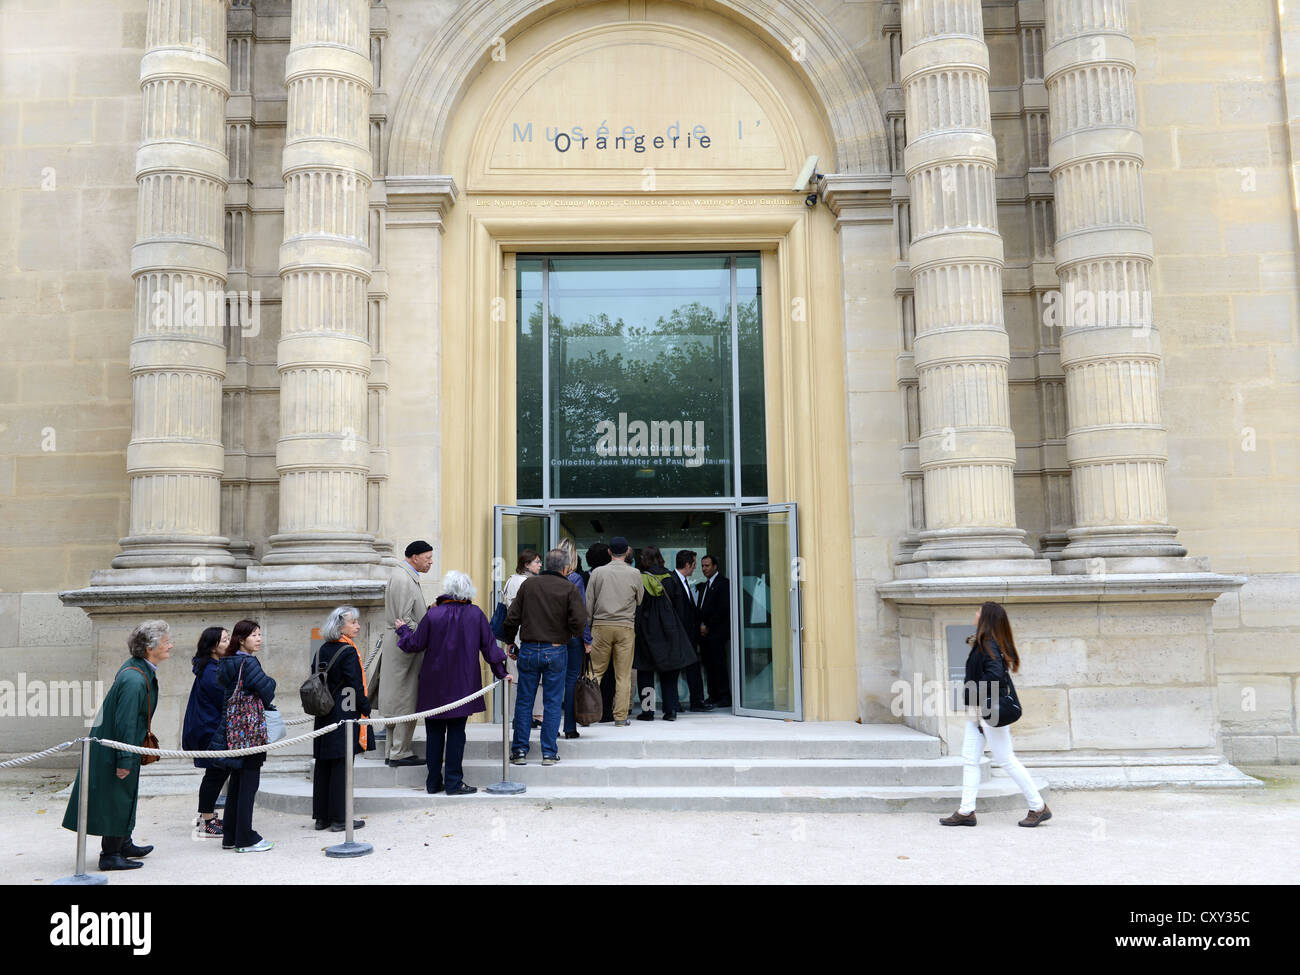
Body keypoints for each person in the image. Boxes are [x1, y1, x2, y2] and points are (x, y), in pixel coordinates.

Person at [62, 620, 171, 871]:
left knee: (124, 795)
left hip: (120, 746)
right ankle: (110, 855)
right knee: (117, 797)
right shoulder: (134, 680)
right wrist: (124, 760)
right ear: (149, 648)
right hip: (119, 748)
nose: (170, 646)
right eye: (166, 642)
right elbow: (126, 724)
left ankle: (124, 841)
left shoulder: (137, 668)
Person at [395, 570, 511, 794]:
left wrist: (402, 630)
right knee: (457, 734)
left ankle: (433, 782)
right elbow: (489, 648)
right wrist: (501, 672)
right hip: (463, 683)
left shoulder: (433, 614)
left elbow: (415, 644)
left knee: (434, 734)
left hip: (433, 683)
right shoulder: (476, 614)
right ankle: (454, 782)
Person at [940, 601, 1051, 828]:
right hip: (981, 712)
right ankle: (966, 811)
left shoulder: (988, 644)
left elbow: (995, 675)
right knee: (970, 759)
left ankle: (1038, 806)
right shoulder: (984, 643)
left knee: (1006, 759)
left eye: (979, 611)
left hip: (989, 711)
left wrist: (978, 699)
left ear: (986, 618)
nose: (976, 613)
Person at [503, 547, 587, 765]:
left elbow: (511, 618)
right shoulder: (568, 588)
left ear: (547, 565)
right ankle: (548, 752)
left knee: (524, 701)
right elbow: (579, 622)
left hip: (529, 649)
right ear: (566, 567)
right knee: (551, 703)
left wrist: (510, 641)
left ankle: (519, 751)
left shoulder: (528, 585)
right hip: (556, 649)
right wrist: (570, 633)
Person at [215, 619, 276, 852]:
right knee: (248, 784)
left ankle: (230, 835)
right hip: (250, 730)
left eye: (260, 634)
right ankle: (245, 837)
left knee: (237, 784)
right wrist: (270, 680)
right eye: (254, 635)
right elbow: (268, 690)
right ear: (241, 639)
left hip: (233, 730)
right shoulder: (247, 662)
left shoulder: (228, 662)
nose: (259, 639)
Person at [311, 605, 372, 831]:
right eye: (353, 622)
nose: (357, 625)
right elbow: (356, 686)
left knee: (324, 764)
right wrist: (366, 709)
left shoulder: (320, 649)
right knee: (341, 765)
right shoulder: (348, 651)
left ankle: (322, 817)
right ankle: (339, 818)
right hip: (343, 714)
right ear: (340, 626)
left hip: (323, 712)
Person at [381, 539, 433, 767]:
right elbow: (404, 619)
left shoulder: (403, 575)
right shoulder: (403, 578)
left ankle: (393, 750)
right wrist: (425, 632)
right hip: (406, 647)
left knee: (397, 698)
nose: (431, 562)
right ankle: (399, 751)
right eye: (428, 558)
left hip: (402, 645)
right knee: (404, 698)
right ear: (414, 557)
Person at [633, 545, 699, 721]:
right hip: (670, 631)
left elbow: (637, 607)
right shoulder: (671, 578)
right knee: (669, 672)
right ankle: (671, 710)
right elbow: (680, 609)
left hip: (647, 632)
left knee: (646, 673)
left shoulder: (640, 579)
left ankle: (648, 712)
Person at [585, 535, 642, 727]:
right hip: (625, 627)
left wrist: (588, 629)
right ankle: (620, 717)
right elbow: (640, 599)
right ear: (627, 552)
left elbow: (589, 603)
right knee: (623, 674)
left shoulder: (598, 573)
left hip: (600, 626)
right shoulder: (635, 573)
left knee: (594, 672)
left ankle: (587, 713)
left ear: (609, 552)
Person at [182, 626, 230, 838]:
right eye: (224, 640)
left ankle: (208, 816)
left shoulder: (213, 667)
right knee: (215, 774)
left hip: (210, 727)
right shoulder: (212, 671)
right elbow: (224, 698)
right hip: (210, 730)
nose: (229, 644)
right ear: (213, 647)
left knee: (217, 773)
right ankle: (206, 820)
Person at [663, 549, 712, 712]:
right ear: (687, 564)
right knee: (678, 670)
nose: (695, 568)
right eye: (694, 564)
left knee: (691, 668)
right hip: (680, 635)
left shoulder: (681, 580)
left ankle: (695, 701)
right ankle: (678, 703)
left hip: (688, 635)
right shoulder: (672, 581)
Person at [557, 537, 593, 739]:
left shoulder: (548, 579)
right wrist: (587, 638)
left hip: (553, 637)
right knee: (571, 681)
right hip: (572, 637)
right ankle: (570, 727)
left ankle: (552, 727)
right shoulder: (576, 579)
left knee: (554, 683)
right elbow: (580, 613)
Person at [503, 548, 543, 726]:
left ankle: (517, 716)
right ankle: (536, 715)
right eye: (536, 562)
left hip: (515, 635)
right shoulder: (525, 583)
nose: (540, 565)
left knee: (516, 678)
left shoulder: (511, 580)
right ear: (526, 564)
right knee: (530, 678)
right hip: (524, 635)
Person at [585, 542, 618, 722]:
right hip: (610, 627)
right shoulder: (613, 576)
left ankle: (588, 709)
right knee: (610, 672)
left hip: (590, 630)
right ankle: (606, 710)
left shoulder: (582, 578)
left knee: (590, 672)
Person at [695, 554, 731, 707]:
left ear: (715, 566)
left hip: (717, 633)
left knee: (719, 665)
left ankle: (724, 696)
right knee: (708, 666)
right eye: (702, 566)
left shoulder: (724, 583)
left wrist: (707, 626)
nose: (704, 569)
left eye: (707, 565)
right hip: (704, 634)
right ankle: (713, 695)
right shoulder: (704, 585)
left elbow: (723, 609)